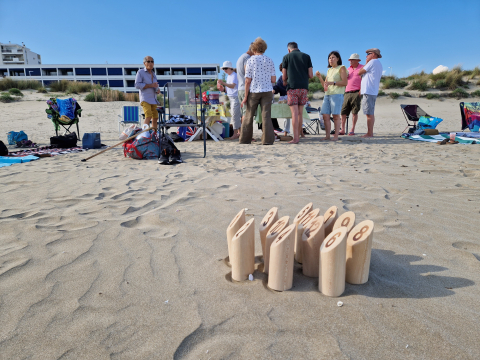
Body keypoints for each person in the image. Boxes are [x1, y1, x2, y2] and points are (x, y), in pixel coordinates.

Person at [240, 37, 276, 145]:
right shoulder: (270, 60)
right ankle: (267, 140)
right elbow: (273, 79)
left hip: (254, 91)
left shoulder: (250, 61)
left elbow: (247, 81)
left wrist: (246, 96)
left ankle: (245, 140)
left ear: (253, 49)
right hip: (267, 91)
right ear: (264, 48)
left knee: (249, 115)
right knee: (266, 116)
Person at [281, 42, 313, 144]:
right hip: (304, 88)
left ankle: (296, 138)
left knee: (294, 113)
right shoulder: (307, 56)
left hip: (292, 88)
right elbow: (311, 75)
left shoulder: (286, 57)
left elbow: (284, 76)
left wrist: (285, 81)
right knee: (300, 113)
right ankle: (300, 135)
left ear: (288, 49)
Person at [315, 51, 348, 141]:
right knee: (325, 115)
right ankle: (327, 135)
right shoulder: (329, 70)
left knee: (336, 116)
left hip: (337, 94)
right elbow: (324, 85)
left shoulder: (341, 68)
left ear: (338, 58)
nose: (331, 59)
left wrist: (333, 83)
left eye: (333, 57)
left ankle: (336, 136)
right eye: (329, 58)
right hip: (327, 94)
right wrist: (319, 77)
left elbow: (345, 82)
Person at [357, 48, 383, 138]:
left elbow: (359, 72)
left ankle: (369, 133)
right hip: (371, 91)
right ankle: (370, 132)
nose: (366, 55)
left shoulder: (372, 62)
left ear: (374, 54)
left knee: (369, 113)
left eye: (369, 53)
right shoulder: (377, 63)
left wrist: (367, 62)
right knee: (370, 112)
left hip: (369, 91)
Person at [340, 53, 364, 135]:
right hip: (346, 92)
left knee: (354, 112)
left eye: (352, 60)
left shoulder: (362, 68)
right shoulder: (348, 69)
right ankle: (342, 129)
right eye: (350, 60)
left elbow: (364, 80)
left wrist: (361, 91)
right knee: (343, 112)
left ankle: (352, 129)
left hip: (356, 92)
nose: (350, 61)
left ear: (357, 60)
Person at [135, 56, 161, 129]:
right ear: (144, 63)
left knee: (155, 118)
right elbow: (137, 85)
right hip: (145, 99)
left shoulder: (154, 74)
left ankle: (154, 135)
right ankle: (144, 135)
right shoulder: (140, 72)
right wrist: (150, 85)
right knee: (148, 116)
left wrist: (158, 89)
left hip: (154, 99)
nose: (150, 63)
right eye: (148, 61)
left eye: (152, 61)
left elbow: (155, 85)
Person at [217, 61, 241, 139]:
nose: (224, 70)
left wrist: (223, 83)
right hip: (232, 97)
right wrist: (223, 89)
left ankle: (235, 133)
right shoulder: (230, 76)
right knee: (236, 115)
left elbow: (232, 86)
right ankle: (239, 132)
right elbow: (229, 88)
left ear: (230, 68)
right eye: (223, 69)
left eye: (225, 68)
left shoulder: (234, 75)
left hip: (235, 97)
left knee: (234, 115)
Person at [236, 44, 254, 124]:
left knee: (243, 113)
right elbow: (248, 73)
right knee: (247, 113)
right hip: (245, 89)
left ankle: (243, 134)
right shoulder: (247, 58)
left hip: (240, 89)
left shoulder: (241, 57)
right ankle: (245, 135)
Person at [272, 63, 290, 136]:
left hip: (291, 97)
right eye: (283, 69)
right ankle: (285, 131)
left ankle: (301, 131)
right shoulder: (280, 78)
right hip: (283, 99)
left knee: (296, 115)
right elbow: (277, 87)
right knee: (286, 116)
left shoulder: (293, 77)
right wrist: (274, 90)